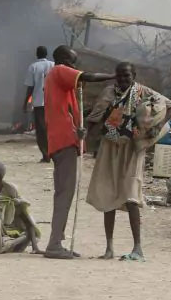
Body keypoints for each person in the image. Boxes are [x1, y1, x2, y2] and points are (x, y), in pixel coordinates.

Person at [86, 62, 171, 261]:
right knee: (108, 193)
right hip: (109, 146)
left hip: (133, 148)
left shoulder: (144, 92)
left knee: (131, 195)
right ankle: (109, 248)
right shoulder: (108, 92)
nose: (123, 79)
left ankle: (138, 248)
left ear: (133, 76)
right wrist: (86, 135)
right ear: (115, 77)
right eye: (120, 76)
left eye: (127, 76)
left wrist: (157, 126)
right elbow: (95, 117)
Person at [43, 45, 115, 260]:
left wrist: (78, 129)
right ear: (64, 60)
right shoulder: (59, 71)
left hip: (67, 139)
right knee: (64, 194)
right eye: (73, 62)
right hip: (63, 141)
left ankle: (57, 241)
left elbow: (67, 113)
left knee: (65, 193)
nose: (75, 67)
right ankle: (54, 244)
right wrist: (113, 75)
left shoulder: (62, 84)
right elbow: (89, 76)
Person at [23, 46, 54, 163]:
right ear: (47, 54)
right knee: (51, 128)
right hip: (52, 102)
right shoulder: (54, 65)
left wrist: (25, 102)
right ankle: (52, 153)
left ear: (37, 54)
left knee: (41, 130)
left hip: (39, 103)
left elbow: (30, 87)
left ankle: (46, 154)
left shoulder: (33, 66)